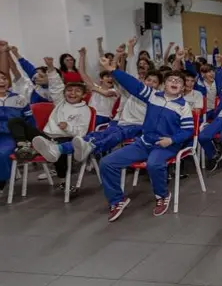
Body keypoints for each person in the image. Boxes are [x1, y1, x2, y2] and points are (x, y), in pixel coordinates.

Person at [97, 59, 193, 221]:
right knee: (107, 163)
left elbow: (188, 131)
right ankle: (117, 200)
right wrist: (114, 70)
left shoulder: (184, 107)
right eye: (171, 80)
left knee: (153, 164)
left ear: (183, 88)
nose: (174, 82)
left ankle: (162, 195)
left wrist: (171, 140)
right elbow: (133, 85)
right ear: (164, 85)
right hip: (144, 142)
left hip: (166, 145)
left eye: (178, 81)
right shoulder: (153, 96)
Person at [13, 57, 90, 189]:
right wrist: (50, 67)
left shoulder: (85, 110)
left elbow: (81, 132)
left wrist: (68, 127)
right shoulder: (60, 101)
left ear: (83, 95)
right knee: (16, 121)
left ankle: (63, 180)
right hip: (46, 137)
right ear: (64, 93)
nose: (72, 93)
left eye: (77, 91)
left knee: (60, 147)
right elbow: (56, 86)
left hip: (65, 138)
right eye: (69, 91)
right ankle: (24, 146)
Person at [0, 41, 33, 193]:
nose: (2, 81)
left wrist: (30, 139)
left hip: (9, 136)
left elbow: (30, 122)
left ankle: (1, 183)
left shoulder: (19, 99)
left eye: (4, 79)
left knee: (1, 154)